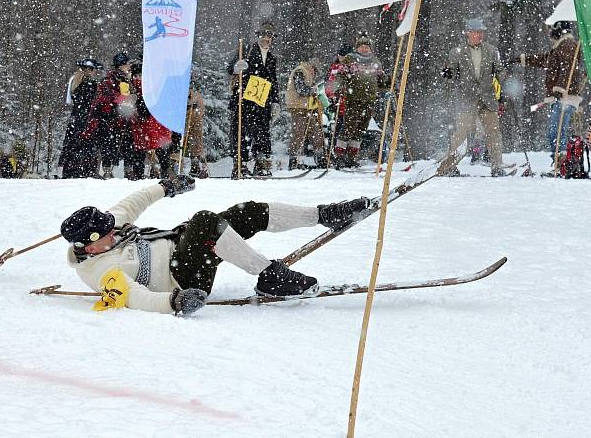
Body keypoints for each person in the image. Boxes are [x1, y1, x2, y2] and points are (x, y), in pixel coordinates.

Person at [60, 175, 371, 316]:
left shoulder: (106, 227)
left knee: (244, 213)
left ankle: (322, 214)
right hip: (183, 279)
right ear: (90, 247)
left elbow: (134, 201)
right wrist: (174, 302)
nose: (113, 231)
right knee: (206, 221)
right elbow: (134, 298)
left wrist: (166, 187)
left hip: (184, 248)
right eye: (106, 236)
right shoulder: (101, 271)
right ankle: (269, 276)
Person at [437, 18, 507, 177]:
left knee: (494, 133)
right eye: (476, 32)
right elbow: (452, 75)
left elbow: (500, 71)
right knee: (460, 134)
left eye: (481, 32)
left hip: (488, 99)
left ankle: (497, 167)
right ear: (468, 33)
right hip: (466, 100)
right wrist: (447, 73)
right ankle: (451, 166)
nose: (479, 35)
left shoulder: (491, 50)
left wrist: (501, 81)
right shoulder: (457, 52)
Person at [513, 20, 586, 166]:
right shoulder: (562, 47)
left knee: (556, 132)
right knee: (557, 131)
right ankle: (561, 162)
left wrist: (560, 89)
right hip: (563, 97)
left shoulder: (566, 45)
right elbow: (546, 60)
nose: (550, 34)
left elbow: (567, 69)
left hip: (564, 97)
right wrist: (522, 59)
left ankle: (562, 163)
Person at [226, 21, 281, 178]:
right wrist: (237, 66)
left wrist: (275, 101)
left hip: (262, 100)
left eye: (269, 36)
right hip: (244, 99)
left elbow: (273, 81)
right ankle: (240, 165)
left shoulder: (271, 58)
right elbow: (230, 68)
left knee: (263, 132)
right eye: (263, 35)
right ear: (258, 36)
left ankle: (261, 163)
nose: (266, 38)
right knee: (240, 132)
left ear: (272, 38)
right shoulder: (247, 50)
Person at [333, 33, 389, 169]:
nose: (364, 49)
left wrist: (389, 81)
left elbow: (381, 80)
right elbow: (341, 75)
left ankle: (351, 157)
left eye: (367, 47)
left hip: (369, 100)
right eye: (362, 47)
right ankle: (339, 155)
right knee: (348, 127)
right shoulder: (351, 59)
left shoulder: (375, 62)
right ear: (357, 48)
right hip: (353, 99)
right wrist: (339, 87)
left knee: (361, 129)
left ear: (371, 49)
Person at [83, 52, 135, 179]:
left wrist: (132, 98)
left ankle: (124, 171)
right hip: (109, 118)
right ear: (121, 65)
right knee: (108, 145)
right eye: (127, 64)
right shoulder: (110, 79)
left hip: (124, 117)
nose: (129, 67)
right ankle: (106, 170)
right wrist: (123, 98)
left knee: (125, 145)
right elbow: (106, 98)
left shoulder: (126, 79)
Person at [129, 61, 174, 180]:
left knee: (159, 148)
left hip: (154, 123)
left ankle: (164, 172)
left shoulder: (151, 87)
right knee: (141, 149)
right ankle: (140, 174)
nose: (138, 78)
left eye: (140, 75)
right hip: (143, 124)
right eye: (136, 76)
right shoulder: (133, 88)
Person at [59, 58, 103, 178]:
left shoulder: (75, 81)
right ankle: (83, 170)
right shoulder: (89, 84)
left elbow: (70, 101)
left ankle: (72, 170)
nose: (95, 73)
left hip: (76, 117)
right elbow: (92, 103)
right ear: (89, 70)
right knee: (85, 144)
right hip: (85, 118)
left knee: (74, 144)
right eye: (94, 70)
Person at [286, 57, 326, 170]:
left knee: (316, 132)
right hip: (298, 107)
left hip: (308, 108)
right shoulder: (301, 71)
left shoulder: (308, 74)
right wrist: (312, 90)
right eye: (315, 71)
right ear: (312, 68)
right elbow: (301, 89)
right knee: (298, 133)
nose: (315, 74)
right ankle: (293, 161)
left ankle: (321, 158)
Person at [184, 86, 209, 178]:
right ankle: (174, 165)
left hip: (194, 116)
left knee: (196, 139)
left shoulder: (196, 95)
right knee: (176, 140)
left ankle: (195, 164)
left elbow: (201, 111)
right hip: (180, 118)